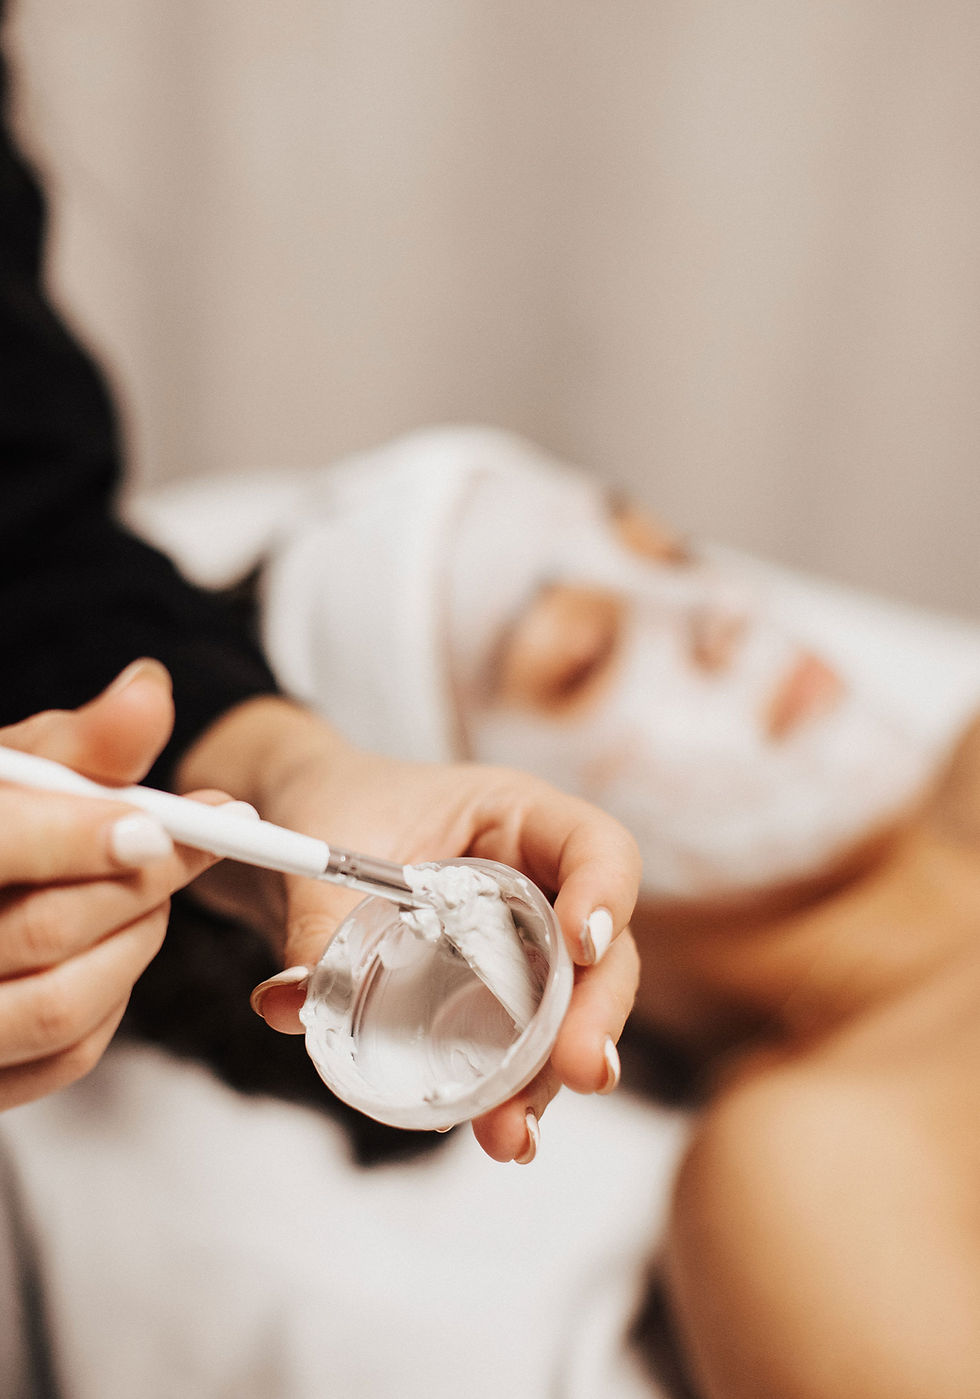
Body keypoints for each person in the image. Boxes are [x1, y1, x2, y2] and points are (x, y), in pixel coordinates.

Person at [138, 424, 980, 1397]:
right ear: (492, 897)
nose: (716, 608)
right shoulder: (817, 1173)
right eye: (580, 660)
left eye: (672, 552)